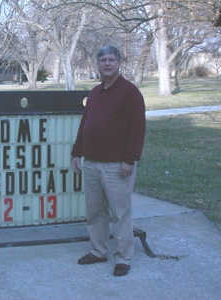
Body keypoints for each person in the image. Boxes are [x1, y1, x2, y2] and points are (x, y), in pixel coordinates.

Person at [71, 45, 146, 277]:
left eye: (111, 60)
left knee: (119, 213)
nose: (107, 64)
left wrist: (129, 159)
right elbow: (85, 124)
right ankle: (98, 251)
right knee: (95, 212)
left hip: (117, 166)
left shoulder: (130, 92)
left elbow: (138, 129)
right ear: (98, 65)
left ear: (119, 62)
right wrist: (77, 152)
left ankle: (123, 258)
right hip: (92, 163)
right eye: (102, 60)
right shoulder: (94, 93)